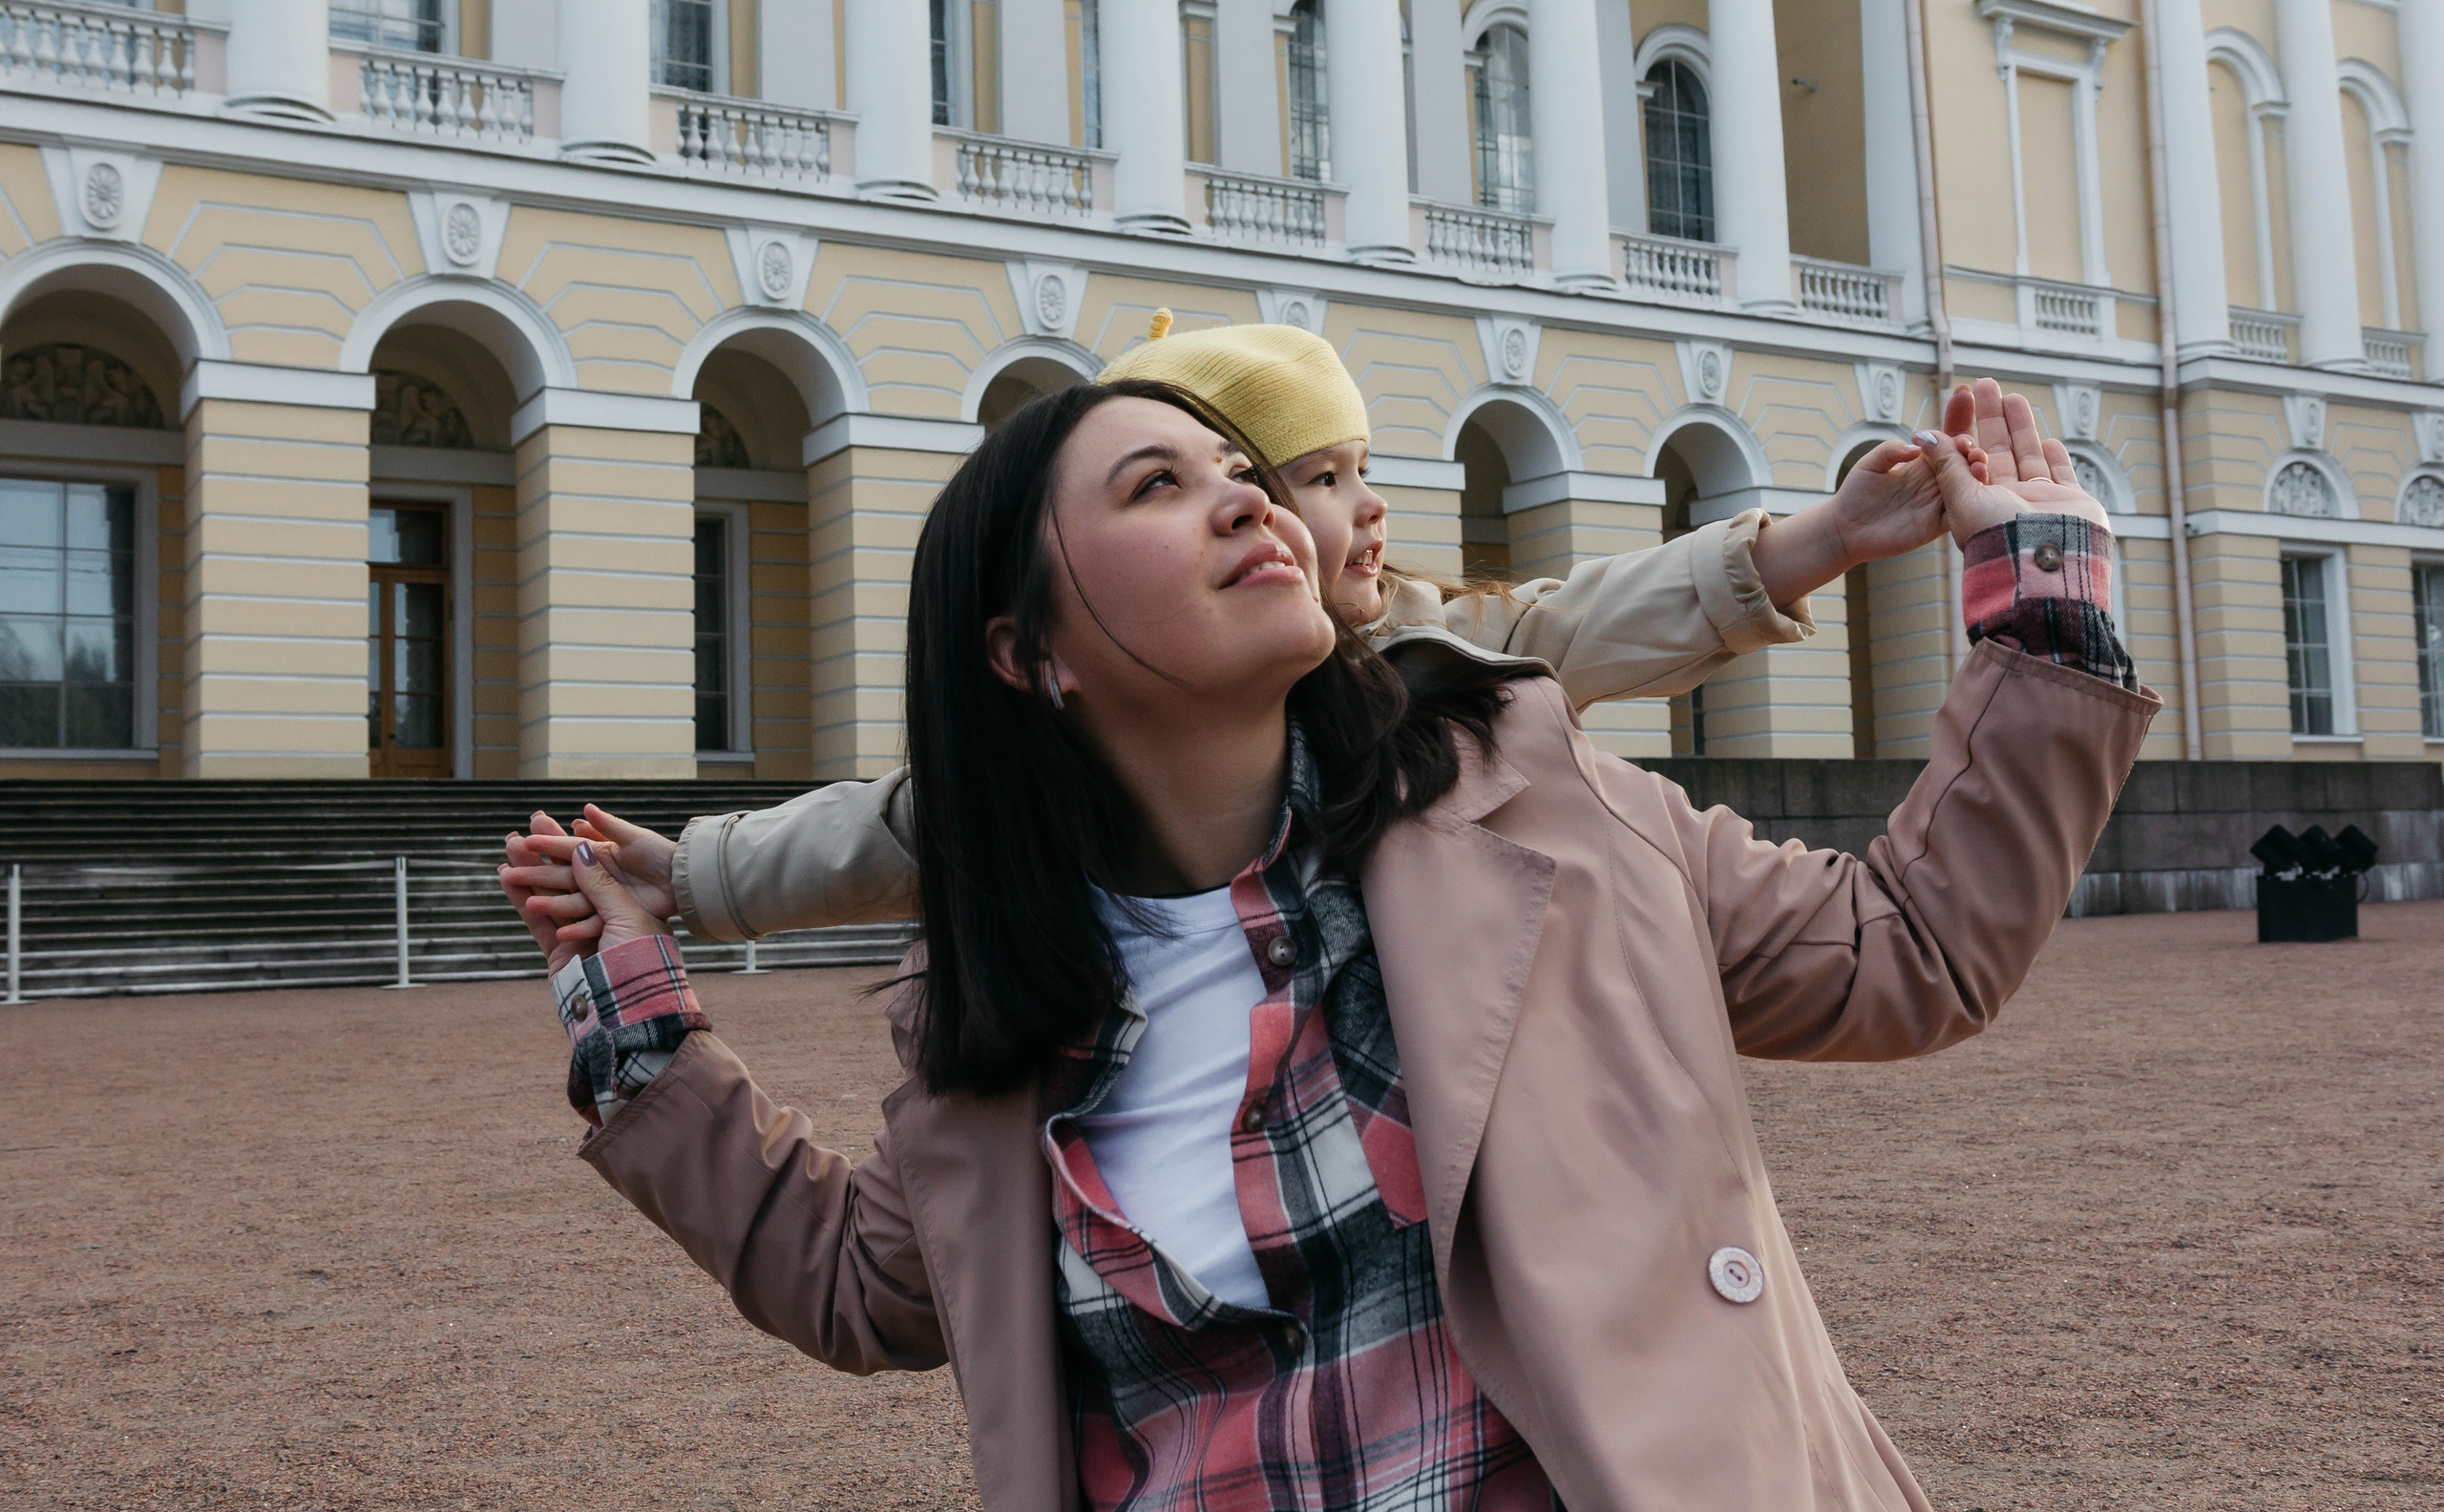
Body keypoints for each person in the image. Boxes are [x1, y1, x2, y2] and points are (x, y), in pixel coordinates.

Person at [503, 374, 2157, 1511]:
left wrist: (2048, 607)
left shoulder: (1539, 802)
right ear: (1028, 655)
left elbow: (1905, 953)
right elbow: (867, 1294)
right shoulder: (999, 1004)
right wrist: (632, 1018)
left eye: (1242, 470)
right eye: (1161, 486)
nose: (1245, 500)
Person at [506, 316, 1970, 953]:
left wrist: (1822, 540)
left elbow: (1565, 620)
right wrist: (694, 873)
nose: (1363, 512)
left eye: (1357, 472)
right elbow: (910, 820)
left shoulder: (1422, 661)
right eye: (1318, 481)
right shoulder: (1084, 748)